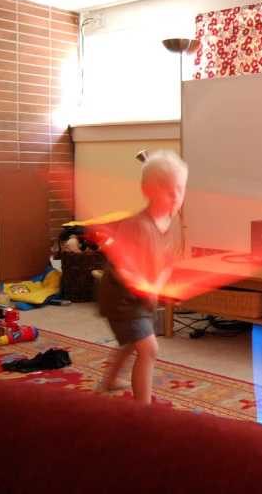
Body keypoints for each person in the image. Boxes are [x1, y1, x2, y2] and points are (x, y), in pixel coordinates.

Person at [97, 150, 187, 404]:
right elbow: (120, 269)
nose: (176, 197)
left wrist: (155, 288)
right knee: (148, 349)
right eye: (167, 190)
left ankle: (111, 380)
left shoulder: (174, 224)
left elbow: (170, 263)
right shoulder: (136, 226)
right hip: (120, 297)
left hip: (141, 298)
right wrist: (143, 288)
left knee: (130, 342)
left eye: (179, 189)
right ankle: (143, 411)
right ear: (148, 191)